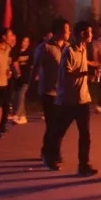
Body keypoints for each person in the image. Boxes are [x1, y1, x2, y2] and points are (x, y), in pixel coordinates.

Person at [51, 21, 99, 176]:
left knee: (85, 134)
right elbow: (67, 74)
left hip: (83, 98)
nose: (92, 35)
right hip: (69, 100)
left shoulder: (83, 49)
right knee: (60, 130)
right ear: (81, 34)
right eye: (89, 32)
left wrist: (90, 73)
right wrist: (86, 73)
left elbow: (81, 68)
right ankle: (51, 155)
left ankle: (83, 164)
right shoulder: (69, 51)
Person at [37, 20, 69, 166]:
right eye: (66, 29)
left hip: (62, 92)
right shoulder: (45, 47)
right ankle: (50, 154)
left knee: (59, 125)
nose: (69, 32)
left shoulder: (68, 47)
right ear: (58, 32)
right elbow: (36, 67)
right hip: (48, 91)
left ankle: (50, 150)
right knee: (52, 124)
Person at [0, 28, 16, 137]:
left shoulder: (6, 51)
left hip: (3, 83)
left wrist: (8, 70)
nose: (12, 37)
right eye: (10, 35)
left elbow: (12, 43)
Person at [9, 35, 32, 125]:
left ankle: (17, 115)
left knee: (21, 95)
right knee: (16, 96)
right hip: (17, 78)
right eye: (23, 41)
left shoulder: (30, 53)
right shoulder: (16, 52)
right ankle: (23, 116)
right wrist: (17, 74)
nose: (25, 43)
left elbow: (32, 65)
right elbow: (14, 63)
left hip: (26, 78)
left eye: (27, 41)